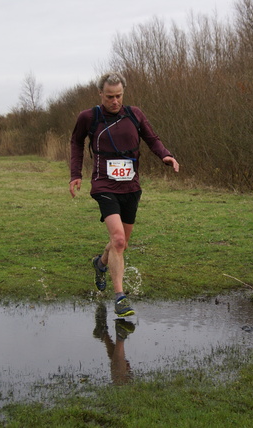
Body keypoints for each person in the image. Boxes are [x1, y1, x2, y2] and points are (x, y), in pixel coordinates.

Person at [69, 71, 180, 317]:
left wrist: (165, 155)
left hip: (131, 187)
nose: (115, 101)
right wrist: (75, 173)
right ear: (101, 94)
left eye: (119, 96)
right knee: (118, 239)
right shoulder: (89, 117)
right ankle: (120, 297)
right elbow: (76, 142)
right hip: (104, 185)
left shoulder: (134, 114)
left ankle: (99, 264)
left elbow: (152, 138)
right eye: (110, 97)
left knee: (121, 244)